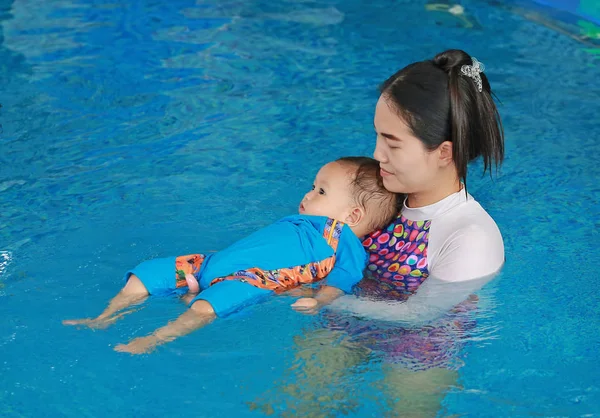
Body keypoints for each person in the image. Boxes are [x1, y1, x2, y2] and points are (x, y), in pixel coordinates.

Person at [254, 49, 505, 418]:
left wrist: (317, 296)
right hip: (346, 318)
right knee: (295, 407)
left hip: (422, 345)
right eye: (377, 136)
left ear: (444, 152)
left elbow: (421, 314)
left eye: (392, 142)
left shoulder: (470, 236)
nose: (376, 154)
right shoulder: (378, 197)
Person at [63, 157, 399, 354]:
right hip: (212, 262)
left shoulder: (344, 241)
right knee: (148, 273)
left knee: (208, 305)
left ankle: (153, 339)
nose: (308, 195)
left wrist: (321, 300)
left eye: (321, 191)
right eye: (313, 186)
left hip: (253, 278)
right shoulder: (300, 222)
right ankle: (104, 318)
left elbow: (345, 277)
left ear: (353, 217)